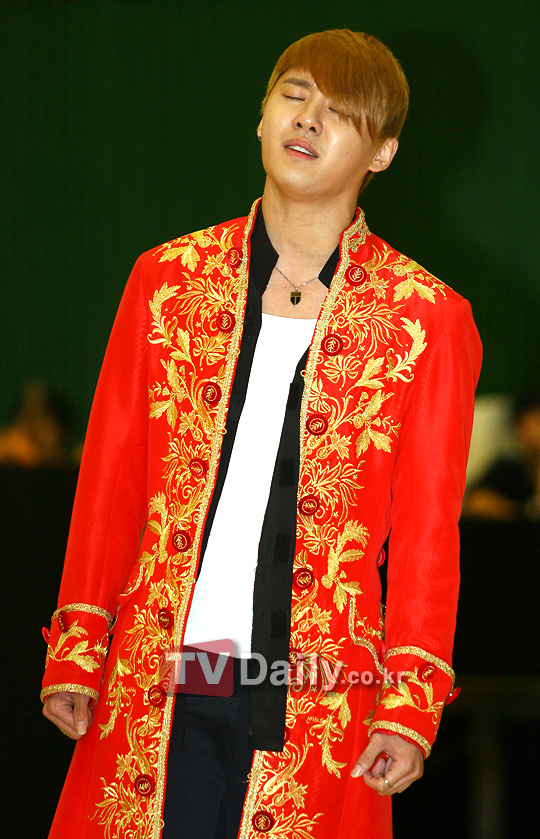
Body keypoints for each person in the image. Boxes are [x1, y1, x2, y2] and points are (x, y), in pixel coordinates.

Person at [41, 29, 482, 839]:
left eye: (340, 111)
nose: (308, 119)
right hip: (162, 673)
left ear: (383, 153)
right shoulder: (167, 281)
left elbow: (428, 534)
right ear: (261, 115)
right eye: (295, 95)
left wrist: (409, 702)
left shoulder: (426, 318)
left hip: (314, 688)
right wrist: (79, 641)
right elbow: (110, 477)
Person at [463, 392, 540, 521]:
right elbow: (475, 503)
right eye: (537, 421)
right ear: (520, 427)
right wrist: (526, 511)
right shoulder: (509, 469)